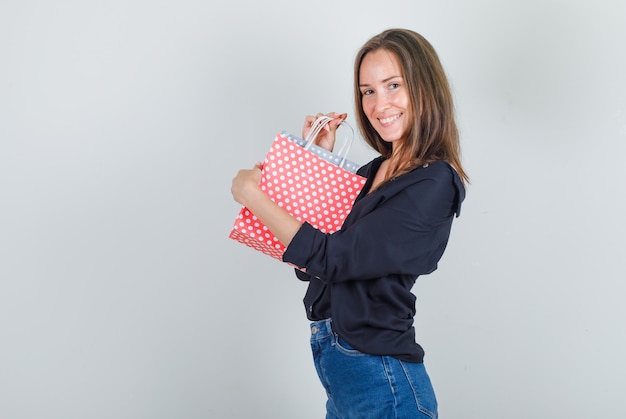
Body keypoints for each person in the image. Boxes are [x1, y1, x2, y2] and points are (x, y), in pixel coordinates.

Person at [231, 28, 468, 419]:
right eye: (367, 90)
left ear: (425, 88)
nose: (379, 104)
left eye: (394, 85)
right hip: (342, 371)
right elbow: (312, 267)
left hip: (382, 379)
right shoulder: (374, 170)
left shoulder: (434, 182)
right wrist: (318, 164)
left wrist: (255, 198)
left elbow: (332, 259)